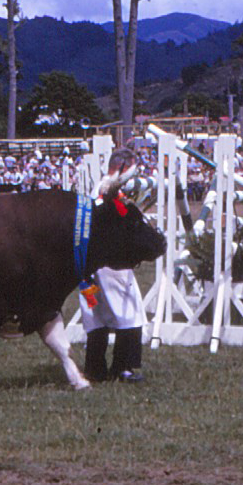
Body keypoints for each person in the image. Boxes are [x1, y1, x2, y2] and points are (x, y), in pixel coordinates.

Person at [80, 147, 147, 383]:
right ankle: (123, 367)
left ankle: (95, 368)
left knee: (96, 314)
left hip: (94, 262)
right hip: (111, 262)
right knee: (130, 313)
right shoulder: (106, 190)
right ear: (122, 168)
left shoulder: (100, 189)